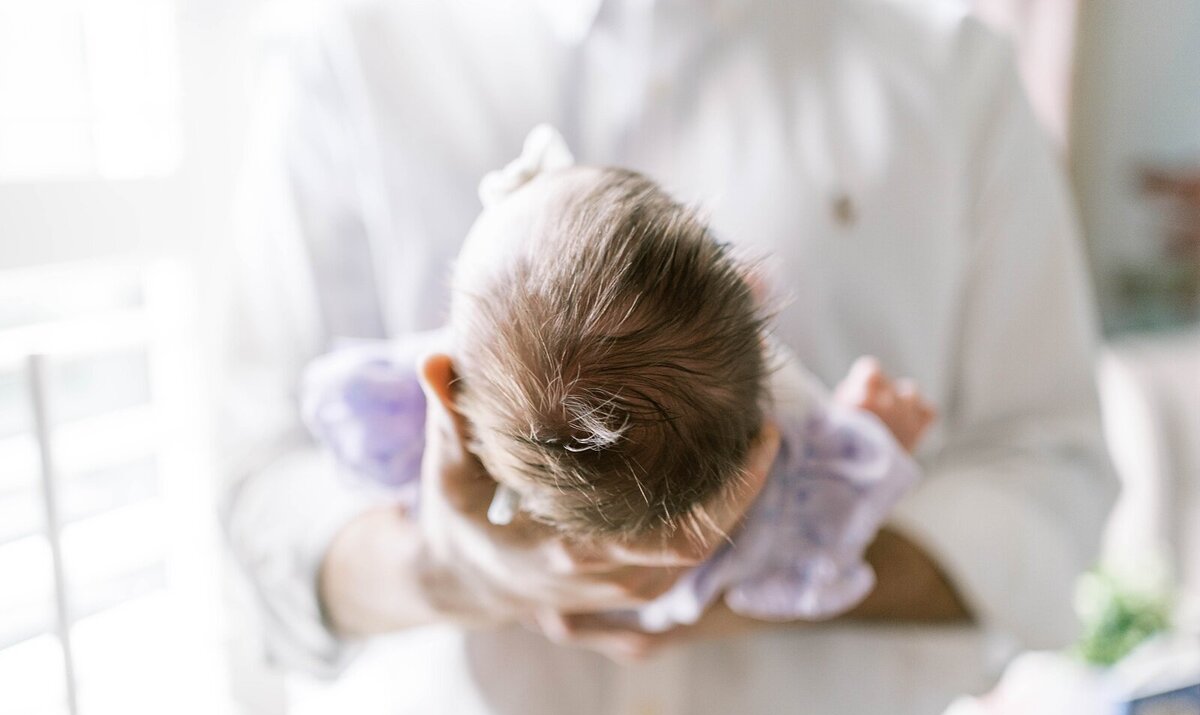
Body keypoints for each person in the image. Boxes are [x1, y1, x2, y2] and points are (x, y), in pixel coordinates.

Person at [222, 1, 1117, 715]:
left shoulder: (951, 72)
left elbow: (1052, 484)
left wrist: (785, 555)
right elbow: (266, 506)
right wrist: (456, 568)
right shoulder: (353, 51)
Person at [301, 145, 935, 632]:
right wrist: (873, 428)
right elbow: (839, 504)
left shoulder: (437, 393)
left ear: (445, 388)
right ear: (743, 287)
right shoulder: (795, 469)